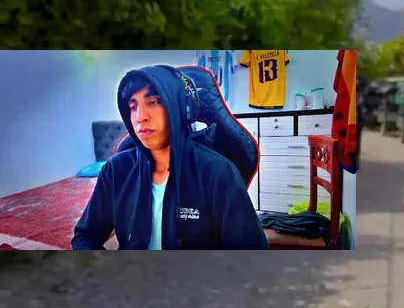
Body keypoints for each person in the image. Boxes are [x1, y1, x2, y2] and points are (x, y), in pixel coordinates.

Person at [72, 65, 269, 250]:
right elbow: (85, 236)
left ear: (181, 108)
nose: (140, 117)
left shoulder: (218, 173)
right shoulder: (116, 169)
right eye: (133, 107)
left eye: (153, 102)